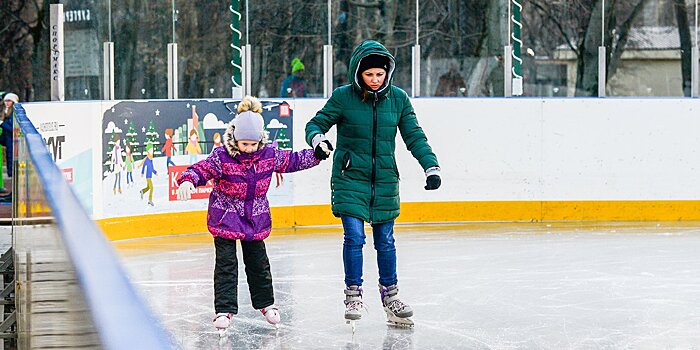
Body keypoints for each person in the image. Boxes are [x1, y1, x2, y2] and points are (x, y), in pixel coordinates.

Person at [305, 40, 442, 327]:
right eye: (369, 75)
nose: (375, 80)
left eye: (380, 75)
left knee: (386, 241)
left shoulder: (399, 99)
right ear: (358, 73)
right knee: (354, 237)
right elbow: (315, 124)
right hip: (349, 178)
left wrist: (431, 167)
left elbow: (414, 136)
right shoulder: (344, 97)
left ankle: (390, 296)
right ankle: (353, 294)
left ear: (387, 73)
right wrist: (318, 142)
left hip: (384, 181)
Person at [175, 95, 323, 334]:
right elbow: (200, 169)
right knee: (226, 264)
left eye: (253, 144)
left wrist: (317, 154)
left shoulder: (268, 155)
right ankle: (224, 310)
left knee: (258, 263)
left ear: (260, 140)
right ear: (235, 138)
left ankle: (266, 304)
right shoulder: (222, 157)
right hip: (225, 217)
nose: (248, 148)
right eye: (244, 144)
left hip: (254, 218)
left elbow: (293, 160)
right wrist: (187, 180)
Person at [0, 93, 18, 179]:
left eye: (9, 101)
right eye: (5, 101)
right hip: (8, 142)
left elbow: (12, 129)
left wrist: (2, 123)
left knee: (13, 165)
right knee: (10, 165)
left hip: (13, 143)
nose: (6, 103)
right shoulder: (6, 112)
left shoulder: (14, 114)